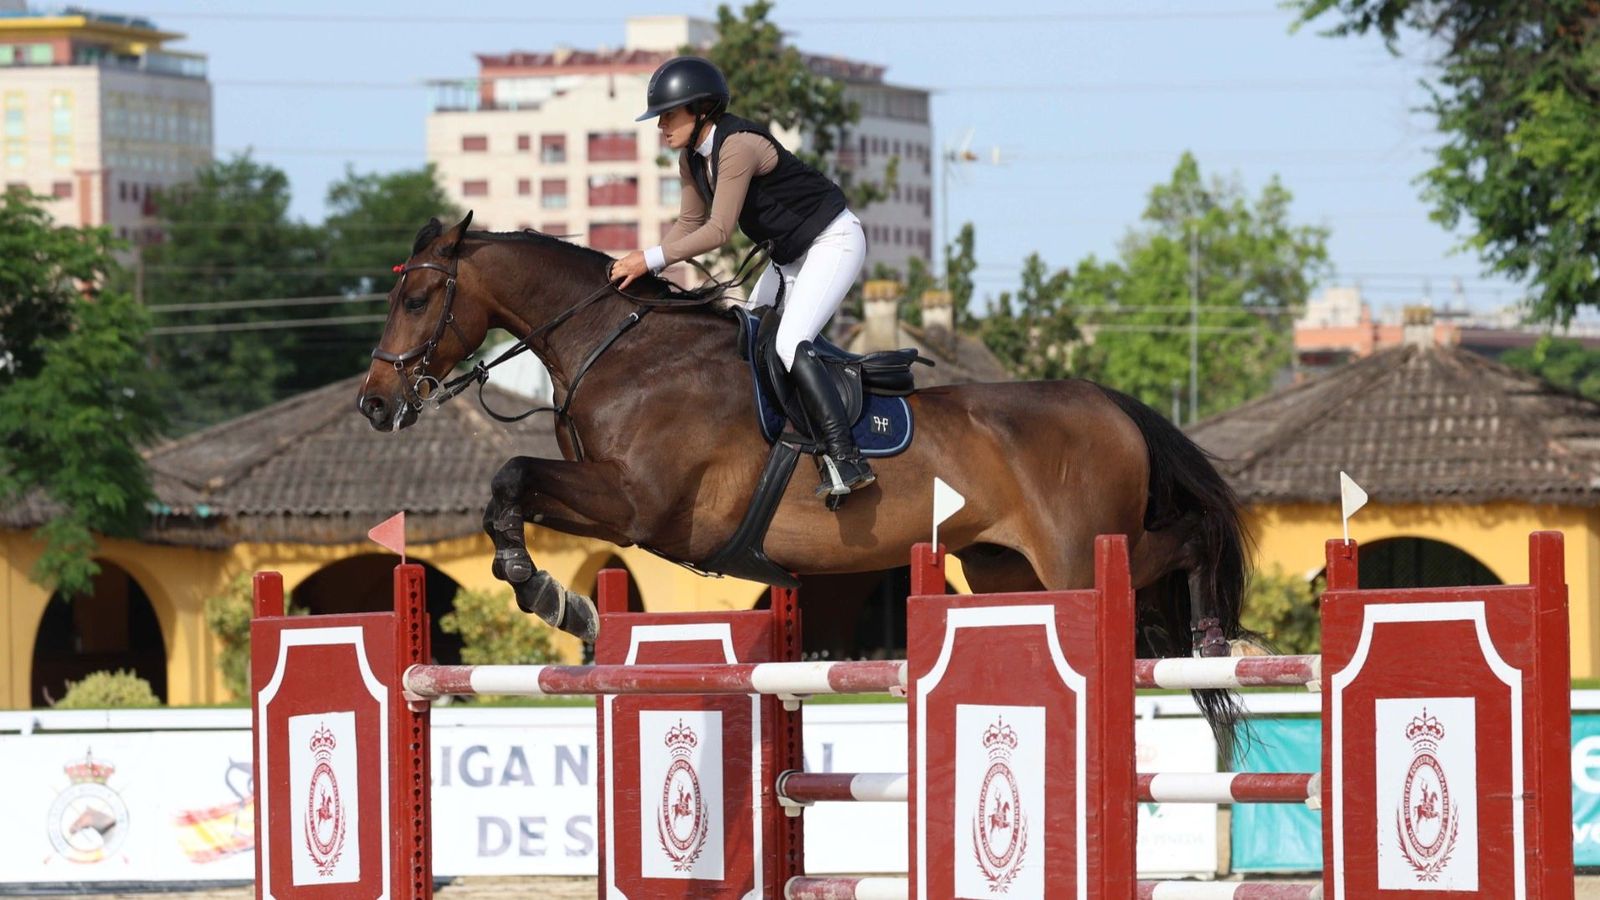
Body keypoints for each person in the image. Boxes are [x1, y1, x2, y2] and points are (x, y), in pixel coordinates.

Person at [609, 56, 874, 497]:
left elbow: (718, 231)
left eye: (668, 115)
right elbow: (688, 224)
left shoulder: (737, 146)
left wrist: (650, 259)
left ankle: (846, 457)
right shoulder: (692, 160)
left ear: (702, 110)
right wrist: (646, 267)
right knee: (746, 342)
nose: (660, 126)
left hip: (833, 240)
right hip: (789, 258)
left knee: (789, 343)